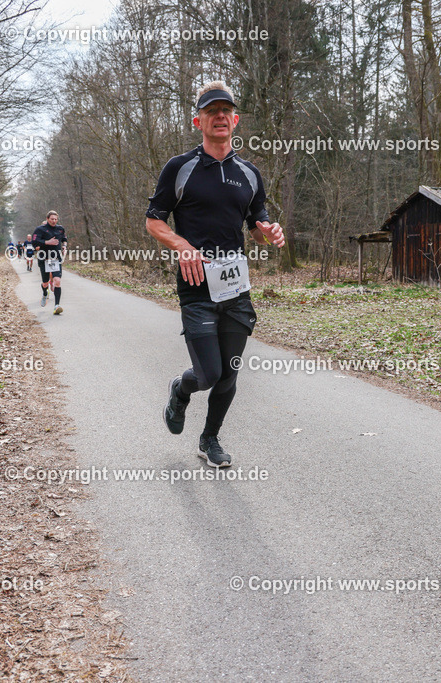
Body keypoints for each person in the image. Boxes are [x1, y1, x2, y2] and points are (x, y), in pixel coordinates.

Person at [146, 80, 285, 468]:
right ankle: (181, 389)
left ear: (235, 120)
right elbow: (154, 221)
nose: (220, 116)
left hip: (235, 287)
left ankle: (209, 439)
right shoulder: (180, 168)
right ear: (198, 121)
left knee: (231, 371)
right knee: (208, 373)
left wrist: (269, 231)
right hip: (196, 286)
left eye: (226, 111)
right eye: (211, 111)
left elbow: (258, 225)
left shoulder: (250, 173)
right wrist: (182, 246)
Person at [32, 211, 67, 314]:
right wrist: (47, 242)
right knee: (45, 283)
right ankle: (44, 293)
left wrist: (64, 246)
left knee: (57, 281)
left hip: (55, 259)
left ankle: (57, 306)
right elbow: (34, 242)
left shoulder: (60, 229)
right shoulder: (40, 229)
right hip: (44, 259)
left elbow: (64, 238)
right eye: (52, 219)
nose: (54, 221)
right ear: (47, 219)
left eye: (55, 219)